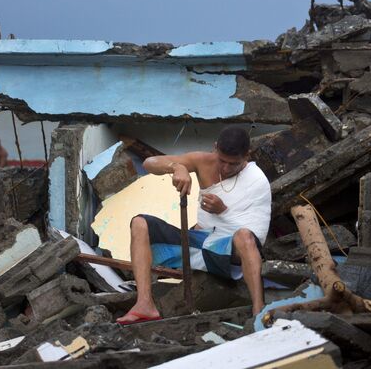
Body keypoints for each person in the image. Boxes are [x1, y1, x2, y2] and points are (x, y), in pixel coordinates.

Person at [116, 125, 271, 324]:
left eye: (233, 164)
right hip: (202, 240)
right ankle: (145, 303)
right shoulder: (203, 161)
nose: (225, 168)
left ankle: (258, 311)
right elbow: (149, 163)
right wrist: (176, 167)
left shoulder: (256, 179)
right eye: (221, 160)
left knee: (244, 236)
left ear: (246, 156)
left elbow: (257, 235)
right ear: (215, 148)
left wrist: (223, 211)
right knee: (140, 223)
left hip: (231, 251)